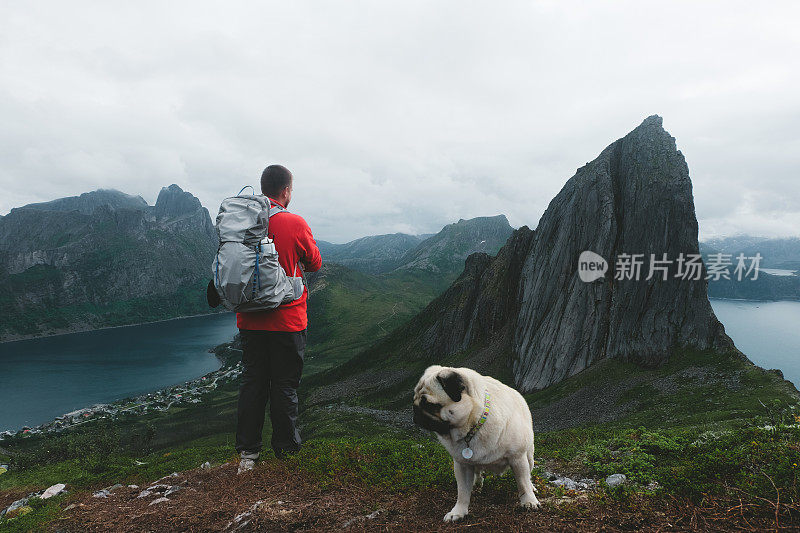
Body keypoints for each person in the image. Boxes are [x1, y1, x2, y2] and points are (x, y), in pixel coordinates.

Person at [235, 164, 322, 473]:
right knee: (284, 387)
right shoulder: (294, 223)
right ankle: (286, 453)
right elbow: (314, 262)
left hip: (250, 320)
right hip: (288, 321)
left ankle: (248, 454)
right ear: (286, 191)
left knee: (253, 384)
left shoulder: (240, 222)